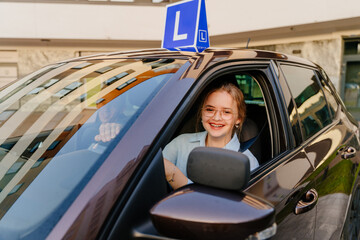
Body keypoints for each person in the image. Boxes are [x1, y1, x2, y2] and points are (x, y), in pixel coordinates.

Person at [163, 82, 259, 189]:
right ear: (202, 113)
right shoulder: (180, 143)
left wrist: (172, 173)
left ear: (238, 119)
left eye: (226, 112)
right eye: (210, 109)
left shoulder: (248, 163)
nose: (216, 118)